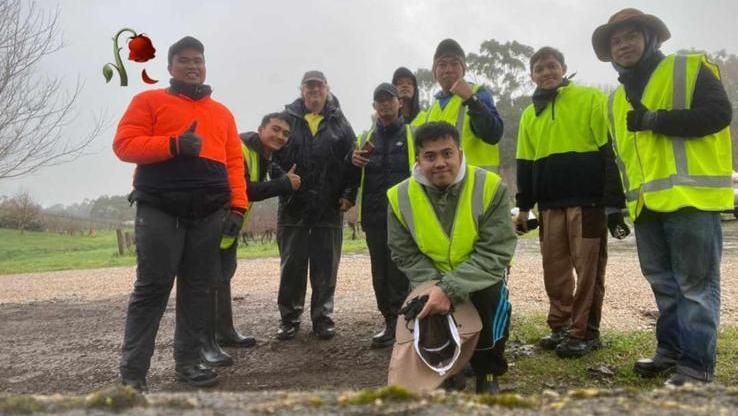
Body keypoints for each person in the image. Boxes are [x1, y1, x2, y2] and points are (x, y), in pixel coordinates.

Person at [592, 8, 733, 385]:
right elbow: (615, 156)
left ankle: (696, 366)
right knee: (664, 284)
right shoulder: (615, 100)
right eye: (615, 41)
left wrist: (657, 119)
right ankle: (670, 352)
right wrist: (613, 204)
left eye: (630, 36)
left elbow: (719, 114)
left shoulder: (688, 69)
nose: (623, 45)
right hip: (646, 205)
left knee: (695, 287)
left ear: (650, 38)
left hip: (691, 199)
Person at [113, 36, 247, 390]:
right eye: (184, 60)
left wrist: (238, 205)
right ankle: (133, 375)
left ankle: (188, 363)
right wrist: (173, 144)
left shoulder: (222, 113)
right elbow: (124, 146)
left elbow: (234, 162)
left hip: (208, 213)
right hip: (159, 209)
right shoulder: (148, 101)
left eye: (198, 60)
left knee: (198, 290)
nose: (192, 66)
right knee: (152, 288)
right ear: (170, 67)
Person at [387, 121, 517, 394]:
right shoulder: (398, 197)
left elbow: (496, 250)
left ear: (459, 152)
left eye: (447, 153)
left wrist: (450, 288)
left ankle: (488, 372)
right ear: (418, 160)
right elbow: (404, 253)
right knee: (423, 307)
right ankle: (447, 368)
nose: (440, 163)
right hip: (429, 278)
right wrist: (434, 288)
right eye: (430, 156)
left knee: (492, 300)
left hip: (479, 276)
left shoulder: (491, 186)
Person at [515, 46, 628, 358]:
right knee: (555, 270)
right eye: (539, 69)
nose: (547, 73)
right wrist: (524, 207)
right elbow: (524, 164)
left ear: (563, 68)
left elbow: (608, 152)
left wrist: (613, 203)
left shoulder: (589, 98)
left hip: (587, 203)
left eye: (552, 66)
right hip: (549, 205)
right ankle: (560, 326)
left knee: (588, 270)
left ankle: (585, 332)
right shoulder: (528, 114)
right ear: (532, 76)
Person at [200, 112, 302, 365]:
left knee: (223, 276)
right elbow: (243, 189)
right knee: (207, 282)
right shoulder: (241, 148)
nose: (280, 136)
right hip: (212, 220)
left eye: (285, 134)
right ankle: (204, 344)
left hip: (229, 225)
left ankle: (224, 332)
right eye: (275, 129)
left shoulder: (263, 155)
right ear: (260, 128)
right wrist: (283, 184)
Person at [272, 70, 358, 341]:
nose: (314, 92)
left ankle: (323, 317)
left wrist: (349, 193)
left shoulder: (340, 123)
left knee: (325, 265)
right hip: (292, 206)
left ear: (327, 89)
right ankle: (289, 318)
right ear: (302, 91)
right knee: (292, 266)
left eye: (319, 86)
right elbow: (271, 154)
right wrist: (282, 181)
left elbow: (354, 161)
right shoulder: (286, 120)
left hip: (329, 205)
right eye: (309, 87)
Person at [351, 83, 413, 348]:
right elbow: (354, 174)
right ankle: (389, 322)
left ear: (399, 103)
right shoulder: (366, 137)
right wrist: (349, 160)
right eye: (379, 101)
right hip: (375, 217)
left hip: (404, 218)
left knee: (402, 272)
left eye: (389, 100)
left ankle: (405, 323)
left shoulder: (412, 134)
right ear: (374, 106)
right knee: (380, 273)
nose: (385, 105)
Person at [411, 38, 504, 172]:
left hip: (477, 185)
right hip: (443, 185)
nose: (448, 70)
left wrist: (472, 100)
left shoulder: (478, 93)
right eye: (442, 65)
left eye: (455, 64)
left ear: (463, 69)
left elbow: (493, 134)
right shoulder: (433, 108)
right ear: (435, 73)